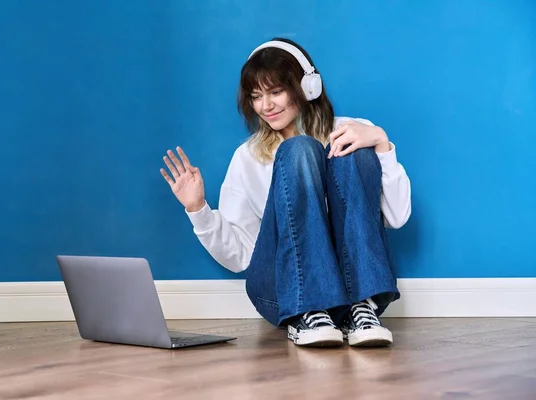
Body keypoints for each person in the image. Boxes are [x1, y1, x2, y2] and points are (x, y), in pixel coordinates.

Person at [160, 38, 411, 348]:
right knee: (299, 150)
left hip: (354, 291)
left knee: (349, 147)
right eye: (256, 96)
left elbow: (397, 217)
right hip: (283, 292)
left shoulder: (351, 130)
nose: (266, 106)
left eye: (276, 92)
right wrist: (197, 209)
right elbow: (240, 255)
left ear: (307, 88)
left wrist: (380, 141)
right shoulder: (247, 156)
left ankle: (360, 307)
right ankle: (309, 310)